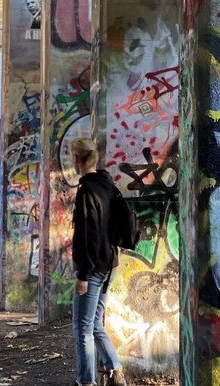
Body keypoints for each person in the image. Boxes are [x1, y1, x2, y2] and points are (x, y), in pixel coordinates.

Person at [69, 137, 126, 386]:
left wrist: (83, 275)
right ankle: (116, 371)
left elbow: (86, 237)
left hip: (92, 269)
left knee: (82, 328)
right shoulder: (107, 184)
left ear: (78, 160)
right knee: (94, 323)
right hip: (109, 263)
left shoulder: (86, 192)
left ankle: (86, 382)